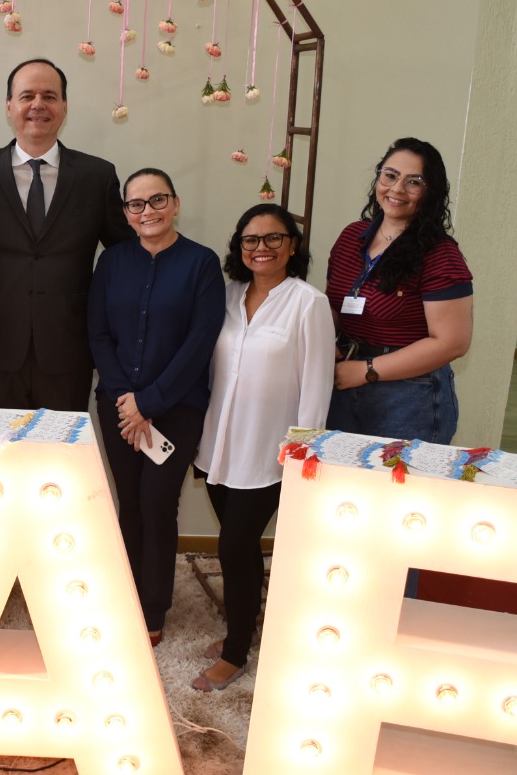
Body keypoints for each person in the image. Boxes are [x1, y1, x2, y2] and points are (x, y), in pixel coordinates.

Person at [191, 204, 334, 692]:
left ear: (293, 246)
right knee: (243, 549)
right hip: (218, 446)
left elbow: (317, 385)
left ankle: (235, 654)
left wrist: (304, 453)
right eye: (251, 240)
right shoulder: (227, 297)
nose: (262, 249)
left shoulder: (309, 303)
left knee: (232, 547)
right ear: (239, 247)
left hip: (270, 453)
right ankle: (244, 626)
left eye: (274, 239)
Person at [0, 58, 133, 411]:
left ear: (64, 107)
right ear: (9, 106)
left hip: (69, 349)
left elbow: (125, 255)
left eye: (49, 96)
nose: (38, 105)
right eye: (27, 96)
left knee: (61, 459)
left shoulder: (97, 176)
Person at [87, 168, 224, 647]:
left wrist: (149, 402)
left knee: (158, 504)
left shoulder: (202, 264)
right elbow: (99, 334)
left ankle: (152, 609)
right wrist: (127, 400)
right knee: (130, 505)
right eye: (136, 204)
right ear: (125, 212)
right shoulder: (113, 262)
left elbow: (200, 342)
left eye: (157, 200)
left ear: (176, 203)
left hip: (176, 408)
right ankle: (125, 594)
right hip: (119, 407)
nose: (147, 211)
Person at [324, 137, 473, 444]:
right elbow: (334, 303)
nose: (396, 189)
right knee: (340, 488)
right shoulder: (351, 237)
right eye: (389, 175)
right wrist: (325, 341)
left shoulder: (440, 255)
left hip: (408, 397)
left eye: (414, 182)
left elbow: (452, 343)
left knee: (397, 490)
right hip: (343, 382)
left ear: (430, 192)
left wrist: (367, 370)